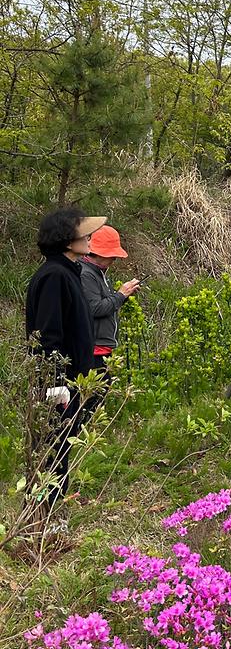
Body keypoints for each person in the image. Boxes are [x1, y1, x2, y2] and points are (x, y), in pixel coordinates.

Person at [25, 207, 107, 503]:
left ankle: (49, 514)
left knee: (60, 448)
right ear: (65, 239)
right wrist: (56, 384)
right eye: (83, 233)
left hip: (72, 381)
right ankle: (46, 518)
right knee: (53, 450)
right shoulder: (54, 276)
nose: (89, 237)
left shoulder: (66, 272)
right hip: (60, 385)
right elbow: (48, 335)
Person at [79, 225, 141, 413]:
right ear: (97, 252)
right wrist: (121, 295)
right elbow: (94, 308)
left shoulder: (96, 273)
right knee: (92, 399)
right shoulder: (86, 274)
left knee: (98, 395)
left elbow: (102, 304)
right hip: (94, 349)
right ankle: (83, 435)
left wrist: (121, 295)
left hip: (101, 347)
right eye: (111, 255)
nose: (114, 259)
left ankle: (88, 434)